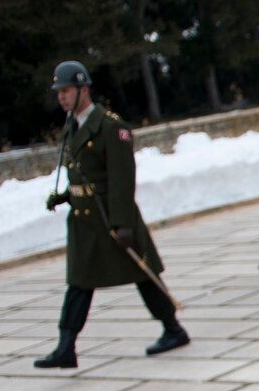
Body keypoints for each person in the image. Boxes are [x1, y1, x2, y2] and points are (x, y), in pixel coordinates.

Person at [33, 61, 188, 368]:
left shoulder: (110, 126)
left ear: (83, 89)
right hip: (85, 221)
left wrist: (122, 224)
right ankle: (66, 346)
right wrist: (65, 195)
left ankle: (173, 329)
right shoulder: (72, 125)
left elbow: (121, 181)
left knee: (142, 273)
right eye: (58, 92)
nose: (61, 97)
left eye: (66, 91)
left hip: (109, 217)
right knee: (79, 281)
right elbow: (83, 173)